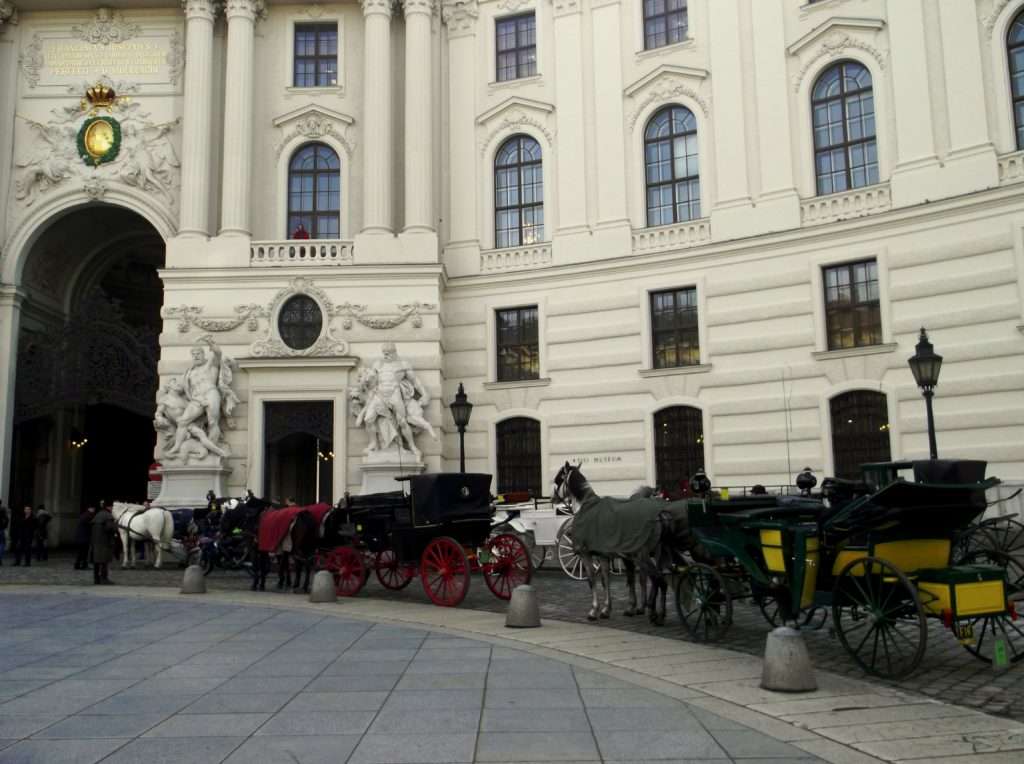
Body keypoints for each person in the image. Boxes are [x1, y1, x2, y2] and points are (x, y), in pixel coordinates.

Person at [91, 502, 116, 585]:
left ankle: (96, 579)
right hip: (105, 542)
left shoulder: (97, 515)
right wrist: (115, 530)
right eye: (112, 507)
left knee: (96, 562)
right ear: (109, 507)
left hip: (95, 542)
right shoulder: (108, 516)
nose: (112, 508)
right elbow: (109, 528)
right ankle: (104, 579)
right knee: (104, 562)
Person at [0, 501, 8, 566]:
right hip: (1, 529)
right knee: (2, 544)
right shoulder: (3, 510)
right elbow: (6, 520)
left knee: (2, 544)